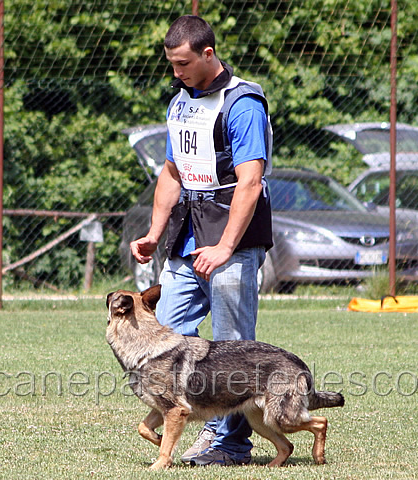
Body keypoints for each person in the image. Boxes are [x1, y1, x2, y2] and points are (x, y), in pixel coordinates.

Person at [129, 15, 273, 467]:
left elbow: (250, 182)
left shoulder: (243, 103)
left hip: (231, 237)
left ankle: (230, 443)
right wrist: (154, 234)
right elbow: (173, 173)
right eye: (171, 64)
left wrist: (227, 247)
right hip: (186, 236)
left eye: (183, 64)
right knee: (165, 332)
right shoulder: (180, 102)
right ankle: (184, 417)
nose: (176, 73)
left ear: (207, 54)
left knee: (232, 348)